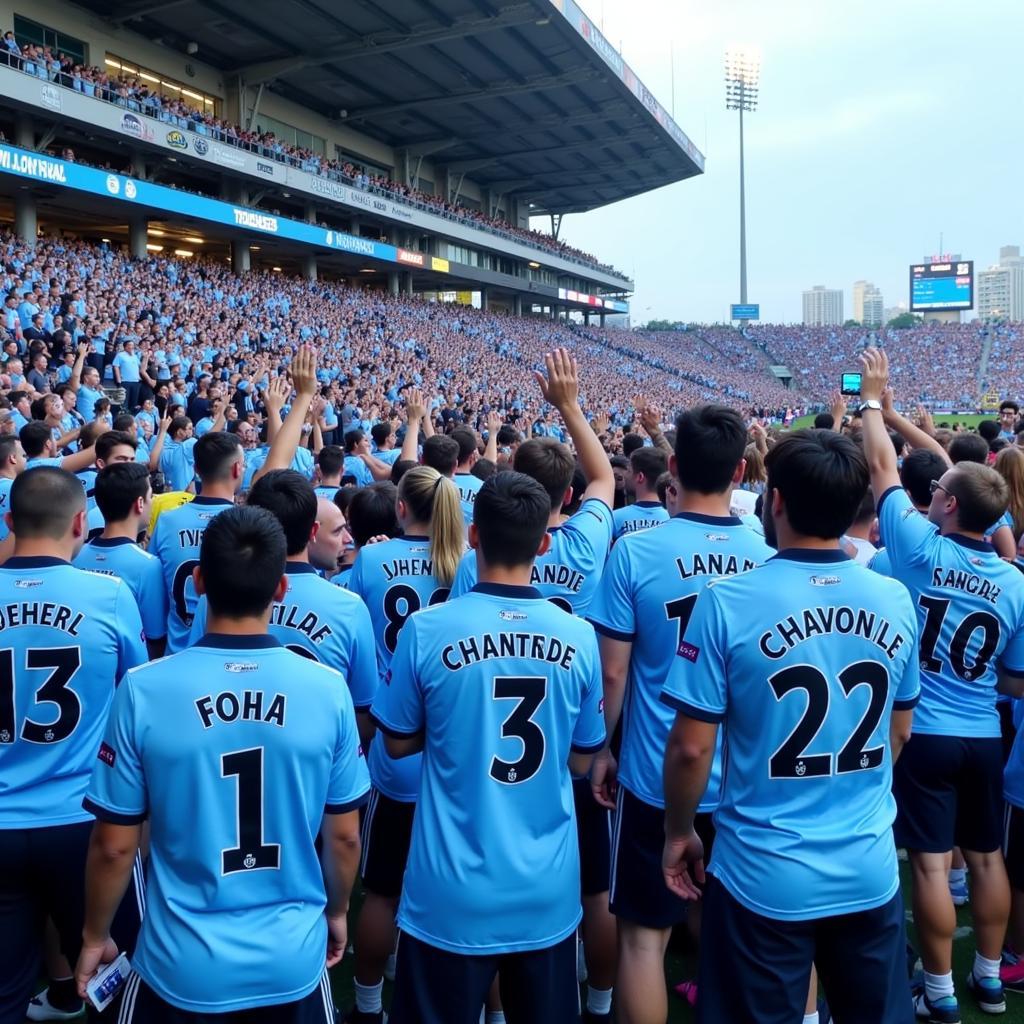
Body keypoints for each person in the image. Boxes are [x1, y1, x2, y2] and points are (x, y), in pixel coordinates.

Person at [661, 428, 920, 1024]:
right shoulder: (893, 597)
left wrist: (679, 832)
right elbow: (900, 732)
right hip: (866, 862)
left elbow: (692, 748)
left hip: (762, 868)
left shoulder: (727, 599)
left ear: (774, 500)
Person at [75, 506, 370, 1022]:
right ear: (281, 588)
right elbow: (344, 837)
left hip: (180, 961)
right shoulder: (327, 690)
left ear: (198, 580)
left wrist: (94, 935)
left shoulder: (145, 688)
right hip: (290, 957)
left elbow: (114, 845)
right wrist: (340, 910)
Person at [372, 471, 605, 1024]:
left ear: (472, 537)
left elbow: (398, 740)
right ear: (544, 544)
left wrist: (459, 729)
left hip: (450, 887)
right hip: (544, 885)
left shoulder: (428, 629)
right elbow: (580, 757)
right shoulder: (578, 637)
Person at [589, 404, 773, 1024]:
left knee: (645, 939)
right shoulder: (766, 555)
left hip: (658, 770)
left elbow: (614, 671)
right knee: (744, 936)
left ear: (672, 468)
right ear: (742, 471)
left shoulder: (637, 551)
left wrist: (603, 748)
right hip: (748, 774)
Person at [858, 347, 1024, 1021]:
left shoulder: (919, 550)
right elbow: (1015, 679)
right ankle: (987, 977)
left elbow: (879, 467)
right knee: (986, 860)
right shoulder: (1015, 582)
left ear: (946, 504)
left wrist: (873, 403)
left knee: (928, 867)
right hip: (984, 732)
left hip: (923, 731)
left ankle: (940, 991)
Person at [0, 468, 147, 1024]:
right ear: (81, 523)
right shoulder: (108, 595)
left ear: (11, 522)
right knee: (117, 973)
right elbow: (138, 699)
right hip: (82, 819)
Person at [344, 464, 464, 1024]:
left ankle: (369, 1004)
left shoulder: (370, 558)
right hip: (451, 745)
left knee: (383, 889)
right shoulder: (464, 560)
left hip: (394, 743)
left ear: (399, 508)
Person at [188, 469, 377, 743]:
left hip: (220, 747)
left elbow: (196, 678)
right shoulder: (349, 607)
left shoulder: (216, 595)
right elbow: (363, 716)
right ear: (313, 530)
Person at [450, 349, 615, 615]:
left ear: (515, 478)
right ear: (570, 494)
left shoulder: (478, 558)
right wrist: (569, 406)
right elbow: (603, 477)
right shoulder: (587, 540)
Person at [149, 431, 243, 653]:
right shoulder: (246, 523)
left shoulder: (167, 520)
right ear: (237, 469)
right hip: (226, 654)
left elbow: (156, 586)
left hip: (174, 652)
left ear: (196, 470)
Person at [73, 462, 167, 659]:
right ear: (140, 504)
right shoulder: (147, 565)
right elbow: (154, 637)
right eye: (151, 496)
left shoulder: (76, 555)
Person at [611, 446, 669, 541]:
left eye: (629, 471)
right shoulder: (673, 517)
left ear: (640, 477)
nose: (625, 475)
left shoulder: (614, 518)